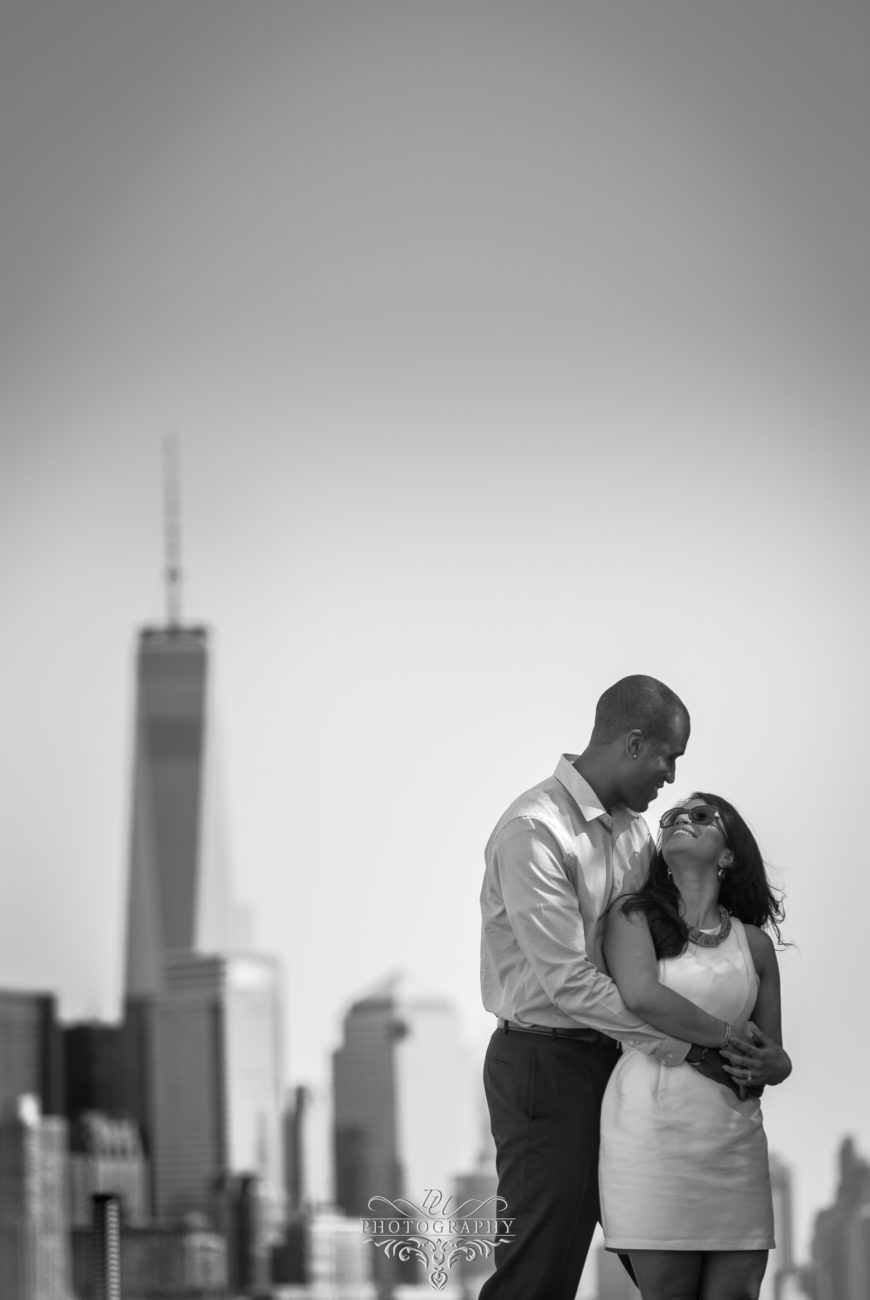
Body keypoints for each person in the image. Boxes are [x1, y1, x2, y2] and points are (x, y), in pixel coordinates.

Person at [479, 675, 740, 1300]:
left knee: (669, 1261)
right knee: (539, 1273)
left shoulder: (636, 833)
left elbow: (666, 945)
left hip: (627, 1064)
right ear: (632, 742)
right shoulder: (534, 832)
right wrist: (696, 1047)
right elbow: (570, 982)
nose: (671, 778)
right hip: (548, 1065)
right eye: (666, 757)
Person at [599, 792, 792, 1300]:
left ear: (728, 854)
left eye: (702, 815)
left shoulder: (754, 945)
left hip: (735, 1143)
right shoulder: (632, 916)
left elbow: (769, 1054)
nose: (681, 818)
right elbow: (644, 996)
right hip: (650, 1138)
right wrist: (726, 1037)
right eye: (671, 817)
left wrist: (778, 1065)